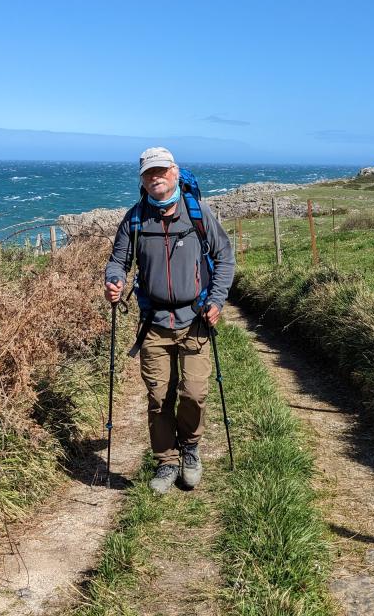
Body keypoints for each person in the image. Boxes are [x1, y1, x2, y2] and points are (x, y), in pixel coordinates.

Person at [105, 147, 235, 494]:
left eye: (161, 170)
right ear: (142, 180)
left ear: (175, 173)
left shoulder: (198, 214)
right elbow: (118, 260)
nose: (155, 177)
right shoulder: (134, 219)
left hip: (195, 320)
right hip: (154, 323)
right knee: (159, 397)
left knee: (193, 393)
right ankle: (166, 461)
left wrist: (217, 300)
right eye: (149, 173)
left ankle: (190, 449)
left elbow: (224, 258)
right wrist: (113, 281)